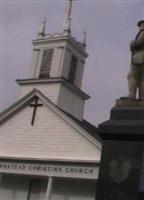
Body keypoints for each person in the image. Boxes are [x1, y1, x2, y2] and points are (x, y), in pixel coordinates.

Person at [127, 20, 144, 99]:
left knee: (132, 76)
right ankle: (142, 96)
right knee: (142, 78)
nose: (140, 26)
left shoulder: (143, 33)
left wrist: (132, 44)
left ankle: (132, 95)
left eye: (141, 24)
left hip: (140, 58)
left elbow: (138, 44)